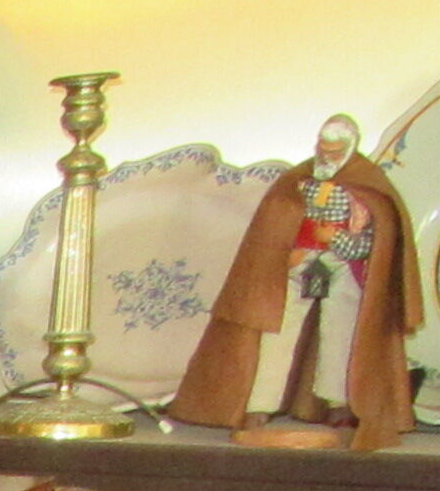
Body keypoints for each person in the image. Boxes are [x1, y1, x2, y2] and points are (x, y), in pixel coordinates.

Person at [168, 115, 422, 449]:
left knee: (342, 332)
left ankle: (339, 402)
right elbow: (275, 223)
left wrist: (337, 241)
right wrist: (290, 249)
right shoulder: (299, 180)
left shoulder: (369, 185)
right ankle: (260, 404)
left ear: (350, 148)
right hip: (298, 263)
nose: (327, 157)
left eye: (335, 151)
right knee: (276, 328)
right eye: (323, 148)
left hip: (345, 266)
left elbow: (376, 243)